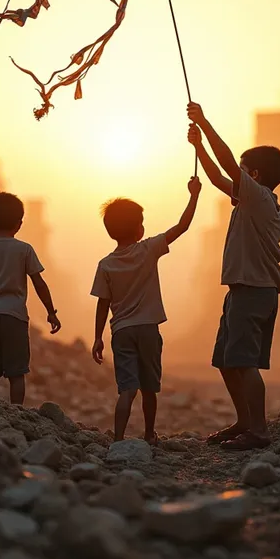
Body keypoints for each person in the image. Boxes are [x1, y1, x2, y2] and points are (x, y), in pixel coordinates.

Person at [187, 102, 280, 450]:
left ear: (254, 177)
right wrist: (198, 146)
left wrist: (206, 123)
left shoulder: (259, 199)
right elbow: (217, 177)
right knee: (227, 362)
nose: (236, 177)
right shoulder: (255, 200)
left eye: (243, 172)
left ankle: (258, 431)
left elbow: (226, 164)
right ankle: (244, 421)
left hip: (254, 291)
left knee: (244, 363)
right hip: (242, 292)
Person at [91, 177, 202, 443]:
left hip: (122, 332)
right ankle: (149, 434)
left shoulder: (105, 264)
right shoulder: (149, 249)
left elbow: (102, 304)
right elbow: (182, 226)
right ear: (139, 230)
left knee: (127, 390)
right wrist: (194, 195)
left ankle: (118, 439)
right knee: (149, 389)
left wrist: (97, 337)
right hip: (148, 330)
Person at [0, 192, 61, 405]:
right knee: (17, 374)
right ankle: (17, 412)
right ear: (19, 224)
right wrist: (51, 312)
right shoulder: (24, 250)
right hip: (14, 317)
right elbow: (39, 284)